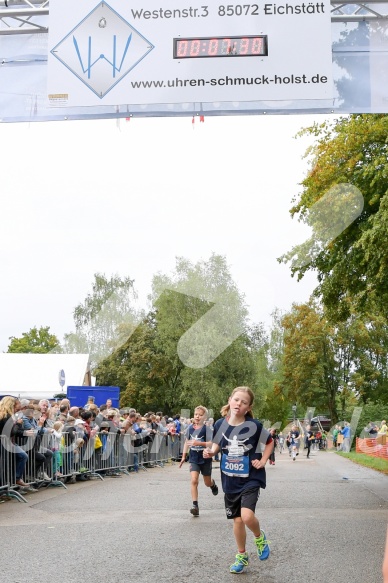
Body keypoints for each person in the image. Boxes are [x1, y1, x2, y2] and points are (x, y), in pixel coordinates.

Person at [203, 386, 272, 574]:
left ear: (248, 407)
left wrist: (264, 460)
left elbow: (269, 441)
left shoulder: (254, 425)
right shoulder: (219, 424)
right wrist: (210, 452)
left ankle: (259, 537)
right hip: (230, 479)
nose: (239, 404)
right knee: (238, 521)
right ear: (230, 400)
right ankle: (241, 555)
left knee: (247, 516)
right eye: (236, 400)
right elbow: (216, 445)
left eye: (244, 402)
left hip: (251, 477)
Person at [179, 405, 218, 517]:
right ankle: (195, 506)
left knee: (207, 482)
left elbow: (211, 443)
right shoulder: (190, 428)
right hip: (194, 458)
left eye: (200, 415)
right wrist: (183, 457)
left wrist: (199, 443)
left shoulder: (207, 429)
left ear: (204, 418)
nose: (197, 417)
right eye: (196, 414)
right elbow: (187, 442)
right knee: (194, 480)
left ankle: (212, 484)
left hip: (205, 457)